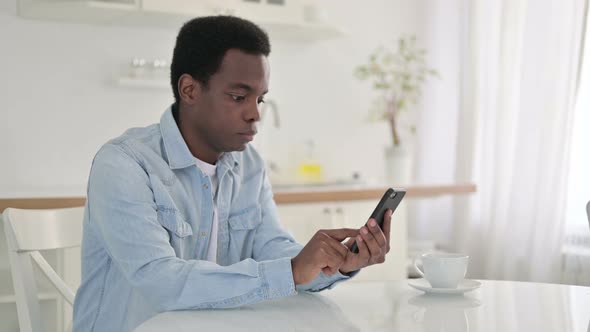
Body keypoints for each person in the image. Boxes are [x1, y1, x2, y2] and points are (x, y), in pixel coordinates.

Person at [72, 15, 393, 332]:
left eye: (260, 99)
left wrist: (332, 263)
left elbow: (273, 247)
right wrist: (292, 270)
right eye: (239, 97)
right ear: (189, 90)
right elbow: (160, 281)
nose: (255, 113)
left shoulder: (248, 165)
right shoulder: (124, 164)